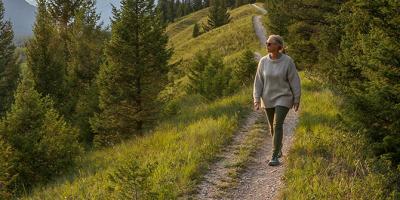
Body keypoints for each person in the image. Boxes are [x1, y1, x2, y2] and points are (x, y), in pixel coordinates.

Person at [253, 34, 301, 166]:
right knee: (272, 127)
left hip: (284, 97)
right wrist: (256, 98)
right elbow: (258, 81)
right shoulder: (263, 61)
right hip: (267, 98)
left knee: (277, 124)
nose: (267, 45)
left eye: (270, 43)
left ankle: (274, 156)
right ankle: (278, 147)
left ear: (278, 46)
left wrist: (296, 99)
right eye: (267, 43)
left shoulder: (287, 61)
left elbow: (295, 81)